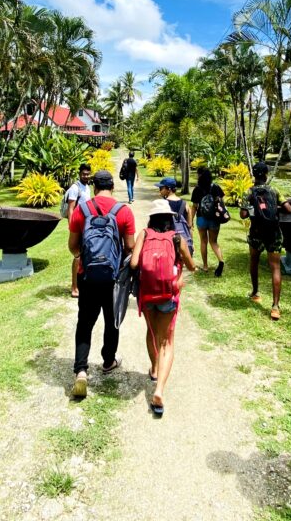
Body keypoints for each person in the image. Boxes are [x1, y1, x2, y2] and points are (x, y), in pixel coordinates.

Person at [67, 169, 136, 398]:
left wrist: (83, 258)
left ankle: (81, 371)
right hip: (113, 279)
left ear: (94, 187)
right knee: (111, 320)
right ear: (113, 187)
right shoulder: (124, 212)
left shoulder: (81, 210)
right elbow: (130, 246)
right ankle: (108, 361)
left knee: (85, 322)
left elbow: (73, 245)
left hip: (87, 277)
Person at [130, 197, 195, 417]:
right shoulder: (177, 238)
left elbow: (134, 264)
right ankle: (158, 391)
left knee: (151, 332)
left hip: (148, 295)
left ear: (152, 218)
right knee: (167, 341)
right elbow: (192, 265)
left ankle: (154, 369)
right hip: (169, 295)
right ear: (170, 219)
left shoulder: (144, 234)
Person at [239, 161, 291, 321]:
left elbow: (242, 215)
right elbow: (289, 209)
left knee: (254, 261)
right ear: (266, 174)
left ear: (253, 175)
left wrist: (253, 210)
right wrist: (274, 209)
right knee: (275, 267)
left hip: (256, 232)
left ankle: (255, 293)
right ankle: (275, 307)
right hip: (273, 233)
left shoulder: (248, 192)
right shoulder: (274, 190)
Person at [62, 164, 93, 298]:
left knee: (85, 255)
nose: (86, 176)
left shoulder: (87, 187)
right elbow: (71, 208)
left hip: (86, 226)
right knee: (77, 256)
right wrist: (71, 227)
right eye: (83, 174)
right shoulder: (75, 188)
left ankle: (82, 283)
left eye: (88, 174)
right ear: (79, 174)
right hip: (78, 227)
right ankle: (74, 287)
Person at [190, 166, 226, 276]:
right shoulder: (216, 187)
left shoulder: (197, 189)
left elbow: (195, 207)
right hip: (214, 219)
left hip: (201, 219)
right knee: (213, 242)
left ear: (199, 176)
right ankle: (221, 260)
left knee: (203, 241)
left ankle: (205, 266)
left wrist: (190, 221)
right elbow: (221, 202)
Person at [157, 176, 193, 254]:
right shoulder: (185, 204)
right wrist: (191, 244)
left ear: (168, 189)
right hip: (183, 243)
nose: (159, 190)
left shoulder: (163, 205)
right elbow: (189, 227)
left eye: (161, 188)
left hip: (168, 243)